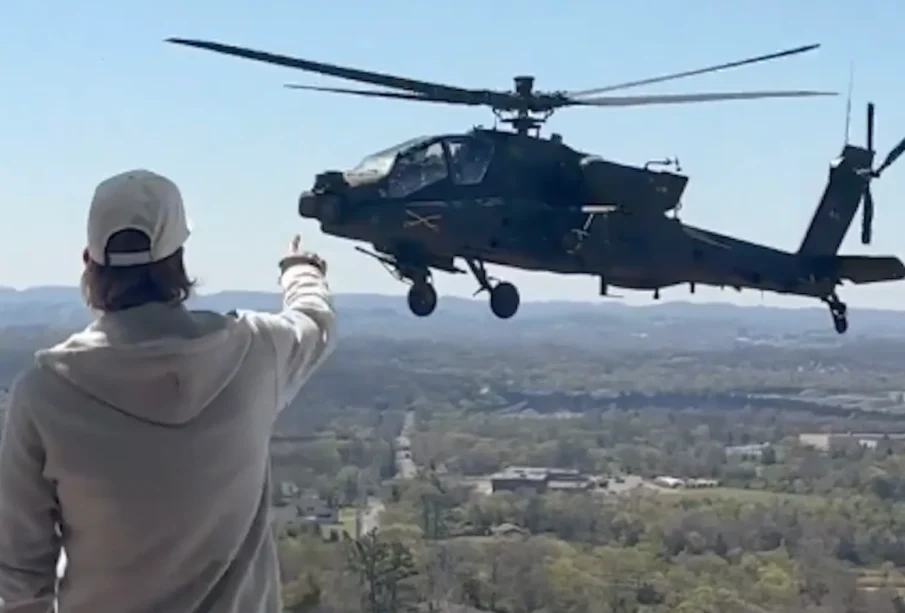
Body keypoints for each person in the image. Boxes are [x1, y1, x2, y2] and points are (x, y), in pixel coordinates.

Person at [0, 169, 336, 612]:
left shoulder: (45, 393)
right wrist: (301, 271)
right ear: (178, 260)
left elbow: (20, 575)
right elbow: (315, 321)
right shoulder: (255, 351)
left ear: (89, 261)